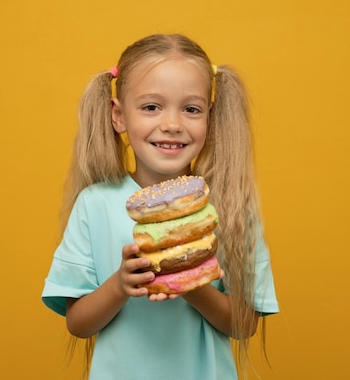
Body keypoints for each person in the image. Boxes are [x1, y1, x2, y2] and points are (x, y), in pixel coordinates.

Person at [42, 34, 279, 380]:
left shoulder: (229, 206)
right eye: (151, 107)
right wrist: (121, 284)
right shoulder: (95, 204)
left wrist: (192, 282)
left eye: (191, 109)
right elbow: (77, 324)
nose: (172, 124)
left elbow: (243, 327)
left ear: (210, 118)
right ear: (119, 116)